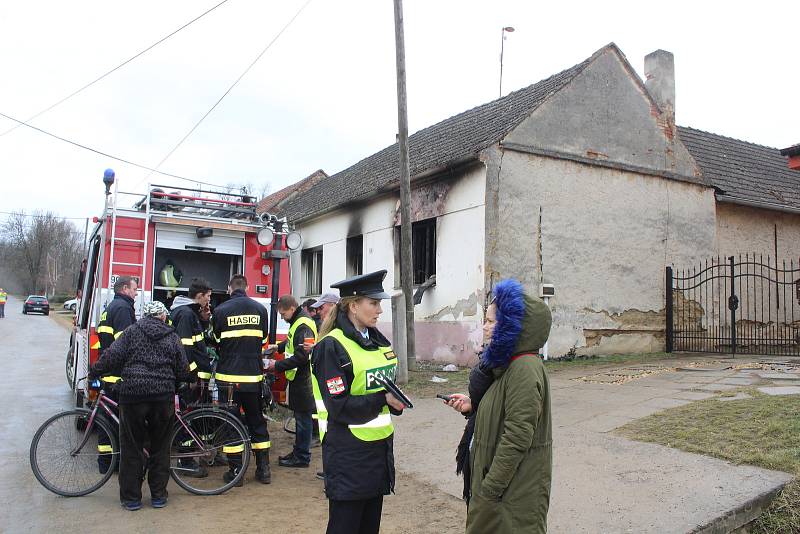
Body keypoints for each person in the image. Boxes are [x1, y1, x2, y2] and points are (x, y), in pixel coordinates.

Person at [445, 279, 553, 534]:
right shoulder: (507, 366)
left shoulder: (524, 368)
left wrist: (490, 487)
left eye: (491, 321)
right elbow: (504, 411)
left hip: (510, 495)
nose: (484, 327)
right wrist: (475, 408)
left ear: (513, 327)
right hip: (500, 492)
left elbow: (517, 435)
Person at [311, 270, 406, 534]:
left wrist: (393, 401)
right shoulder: (331, 347)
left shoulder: (375, 341)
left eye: (379, 304)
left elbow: (378, 386)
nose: (379, 310)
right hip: (348, 454)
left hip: (377, 452)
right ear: (353, 306)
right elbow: (339, 406)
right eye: (373, 303)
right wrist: (383, 399)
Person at [89, 300, 190, 511]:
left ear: (144, 315)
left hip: (133, 396)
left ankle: (131, 499)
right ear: (163, 316)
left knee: (131, 447)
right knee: (161, 448)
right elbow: (183, 370)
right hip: (162, 397)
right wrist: (175, 382)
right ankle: (158, 497)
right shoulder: (172, 336)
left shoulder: (131, 332)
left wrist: (95, 370)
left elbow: (112, 356)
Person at [212, 274, 272, 484]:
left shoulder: (220, 311)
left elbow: (216, 340)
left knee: (231, 423)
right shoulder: (261, 310)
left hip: (227, 379)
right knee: (256, 420)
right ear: (246, 287)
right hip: (253, 378)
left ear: (230, 288)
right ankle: (263, 470)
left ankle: (236, 472)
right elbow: (263, 340)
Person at [264, 295, 317, 468]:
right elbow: (293, 340)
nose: (282, 317)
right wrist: (278, 347)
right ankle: (299, 452)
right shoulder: (299, 321)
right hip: (299, 378)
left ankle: (302, 456)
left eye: (283, 313)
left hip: (304, 379)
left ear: (292, 309)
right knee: (301, 417)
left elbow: (301, 357)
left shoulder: (303, 324)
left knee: (303, 419)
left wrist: (276, 365)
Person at [95, 275, 138, 473]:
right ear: (124, 289)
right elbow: (125, 343)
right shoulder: (122, 309)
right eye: (134, 289)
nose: (136, 293)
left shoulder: (111, 307)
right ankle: (116, 463)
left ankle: (105, 462)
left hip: (108, 373)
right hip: (117, 375)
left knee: (106, 420)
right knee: (120, 423)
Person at [170, 278, 214, 382]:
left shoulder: (189, 312)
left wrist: (203, 320)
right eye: (208, 296)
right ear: (199, 295)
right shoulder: (186, 314)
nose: (209, 300)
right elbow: (184, 346)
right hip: (192, 378)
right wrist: (192, 374)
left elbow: (197, 338)